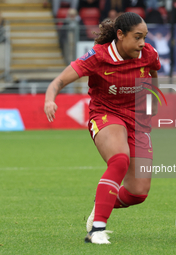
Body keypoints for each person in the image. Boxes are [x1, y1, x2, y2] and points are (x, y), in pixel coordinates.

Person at [44, 12, 161, 244]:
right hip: (106, 114)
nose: (142, 43)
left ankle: (102, 201)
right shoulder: (98, 57)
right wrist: (50, 99)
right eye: (137, 37)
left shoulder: (148, 54)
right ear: (120, 35)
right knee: (120, 160)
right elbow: (58, 81)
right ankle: (97, 229)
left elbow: (154, 72)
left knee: (138, 193)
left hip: (137, 120)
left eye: (145, 37)